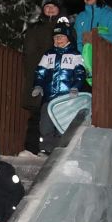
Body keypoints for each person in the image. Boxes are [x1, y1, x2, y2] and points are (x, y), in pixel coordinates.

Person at [20, 0, 72, 155]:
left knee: (58, 115)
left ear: (59, 9)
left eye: (53, 7)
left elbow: (71, 50)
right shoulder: (36, 29)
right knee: (36, 116)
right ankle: (31, 150)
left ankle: (56, 150)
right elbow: (28, 53)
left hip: (60, 79)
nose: (50, 10)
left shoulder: (66, 29)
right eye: (47, 7)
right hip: (39, 77)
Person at [30, 23, 89, 151]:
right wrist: (38, 85)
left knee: (63, 124)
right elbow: (40, 71)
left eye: (61, 36)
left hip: (66, 98)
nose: (58, 39)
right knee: (46, 125)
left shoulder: (75, 54)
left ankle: (62, 149)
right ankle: (46, 149)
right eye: (56, 37)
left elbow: (80, 72)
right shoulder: (48, 54)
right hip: (49, 97)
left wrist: (76, 87)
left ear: (68, 38)